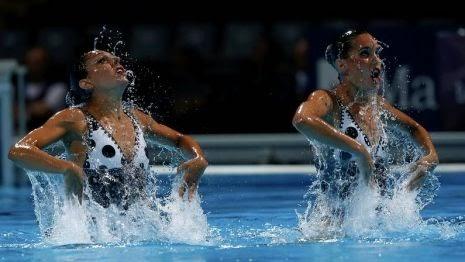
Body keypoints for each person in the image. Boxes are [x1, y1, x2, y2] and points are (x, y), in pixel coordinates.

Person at [9, 50, 208, 209]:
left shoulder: (137, 118)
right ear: (86, 83)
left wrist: (198, 158)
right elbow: (18, 151)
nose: (115, 63)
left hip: (140, 233)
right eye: (102, 61)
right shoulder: (75, 118)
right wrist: (66, 168)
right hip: (89, 240)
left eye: (116, 59)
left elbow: (180, 140)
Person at [292, 30, 438, 223]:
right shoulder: (328, 101)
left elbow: (414, 129)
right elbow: (302, 119)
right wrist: (359, 151)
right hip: (331, 231)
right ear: (342, 65)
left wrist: (430, 156)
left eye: (376, 52)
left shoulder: (377, 106)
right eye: (365, 53)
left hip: (372, 228)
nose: (376, 60)